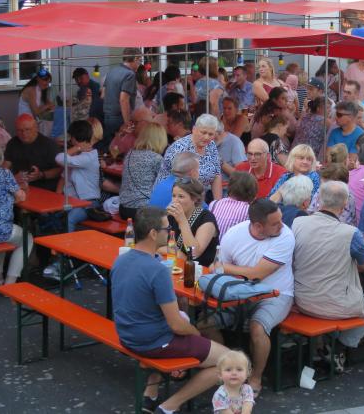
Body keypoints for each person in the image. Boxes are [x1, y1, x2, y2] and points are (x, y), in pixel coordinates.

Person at [111, 207, 228, 414]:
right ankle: (170, 406)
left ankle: (151, 392)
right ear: (153, 234)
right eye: (167, 228)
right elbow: (176, 325)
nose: (170, 231)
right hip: (152, 342)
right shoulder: (157, 270)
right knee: (231, 362)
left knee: (182, 319)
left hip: (127, 335)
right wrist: (196, 335)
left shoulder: (121, 260)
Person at [205, 199, 294, 395]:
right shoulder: (234, 234)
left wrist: (227, 268)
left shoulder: (285, 236)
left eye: (280, 220)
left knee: (258, 328)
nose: (282, 225)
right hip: (238, 294)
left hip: (276, 294)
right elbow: (217, 268)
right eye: (275, 223)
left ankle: (256, 378)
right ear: (258, 226)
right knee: (205, 324)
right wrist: (228, 269)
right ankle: (229, 368)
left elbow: (257, 274)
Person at [292, 181, 364, 368]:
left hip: (301, 300)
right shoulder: (350, 233)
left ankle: (325, 343)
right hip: (334, 305)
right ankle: (341, 346)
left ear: (318, 200)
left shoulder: (298, 222)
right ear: (344, 206)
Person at [158, 113, 223, 200]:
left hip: (197, 198)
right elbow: (178, 181)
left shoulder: (211, 145)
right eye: (203, 132)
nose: (207, 137)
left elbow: (216, 175)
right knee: (199, 213)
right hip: (172, 198)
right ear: (194, 129)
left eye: (210, 134)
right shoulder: (179, 148)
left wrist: (217, 204)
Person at [0, 146, 31, 286]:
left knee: (2, 240)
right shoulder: (4, 174)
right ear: (0, 159)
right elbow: (20, 196)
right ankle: (10, 283)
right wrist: (22, 190)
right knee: (27, 239)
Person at [54, 120, 100, 233]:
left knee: (69, 219)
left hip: (88, 203)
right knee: (51, 216)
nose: (70, 140)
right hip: (72, 202)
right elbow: (63, 176)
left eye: (71, 137)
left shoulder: (89, 156)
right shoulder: (76, 156)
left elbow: (59, 158)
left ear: (75, 137)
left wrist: (77, 148)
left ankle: (67, 249)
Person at [166, 177, 219, 266]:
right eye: (173, 196)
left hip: (201, 272)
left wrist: (182, 221)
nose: (175, 201)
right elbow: (158, 245)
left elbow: (194, 253)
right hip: (177, 266)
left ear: (195, 198)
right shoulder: (171, 216)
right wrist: (182, 256)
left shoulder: (206, 218)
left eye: (181, 196)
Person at [119, 123, 168, 219]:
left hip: (124, 208)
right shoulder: (156, 158)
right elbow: (165, 185)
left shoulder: (130, 154)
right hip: (144, 210)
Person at [4, 114, 61, 191]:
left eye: (27, 129)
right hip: (20, 187)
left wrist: (41, 175)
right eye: (19, 130)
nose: (23, 133)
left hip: (45, 189)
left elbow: (60, 170)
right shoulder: (12, 143)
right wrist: (12, 178)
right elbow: (5, 166)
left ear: (36, 128)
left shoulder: (49, 145)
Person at [103, 48, 140, 149]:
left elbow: (103, 94)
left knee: (112, 148)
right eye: (139, 60)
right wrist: (127, 122)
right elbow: (124, 99)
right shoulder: (130, 74)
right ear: (135, 58)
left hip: (107, 116)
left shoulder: (112, 71)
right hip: (119, 118)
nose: (139, 63)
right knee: (122, 150)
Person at [308, 159, 358, 225]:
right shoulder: (320, 191)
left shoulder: (348, 197)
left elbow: (341, 223)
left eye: (327, 184)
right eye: (322, 183)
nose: (323, 187)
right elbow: (311, 211)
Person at [208, 171, 257, 237]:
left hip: (211, 245)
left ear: (229, 187)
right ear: (252, 191)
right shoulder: (249, 210)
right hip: (230, 245)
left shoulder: (214, 204)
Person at [215, 119, 246, 185]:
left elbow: (241, 175)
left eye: (210, 134)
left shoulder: (234, 142)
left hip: (227, 188)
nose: (206, 137)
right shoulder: (206, 143)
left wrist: (219, 161)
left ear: (218, 132)